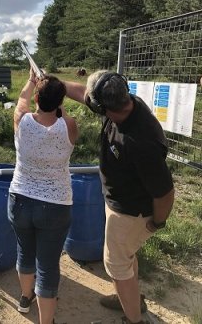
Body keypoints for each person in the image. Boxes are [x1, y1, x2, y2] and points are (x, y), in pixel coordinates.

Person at [63, 70, 174, 324]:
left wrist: (157, 223)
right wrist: (51, 80)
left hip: (132, 211)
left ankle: (134, 319)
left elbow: (165, 193)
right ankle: (131, 296)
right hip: (120, 203)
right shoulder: (124, 102)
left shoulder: (140, 142)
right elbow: (83, 93)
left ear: (104, 108)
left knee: (116, 263)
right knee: (125, 257)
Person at [8, 68, 79, 324]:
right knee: (47, 266)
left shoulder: (22, 120)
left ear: (37, 99)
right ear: (61, 102)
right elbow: (63, 116)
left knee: (25, 253)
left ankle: (25, 298)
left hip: (20, 200)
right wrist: (55, 95)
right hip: (56, 205)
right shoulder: (69, 125)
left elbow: (21, 100)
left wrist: (31, 81)